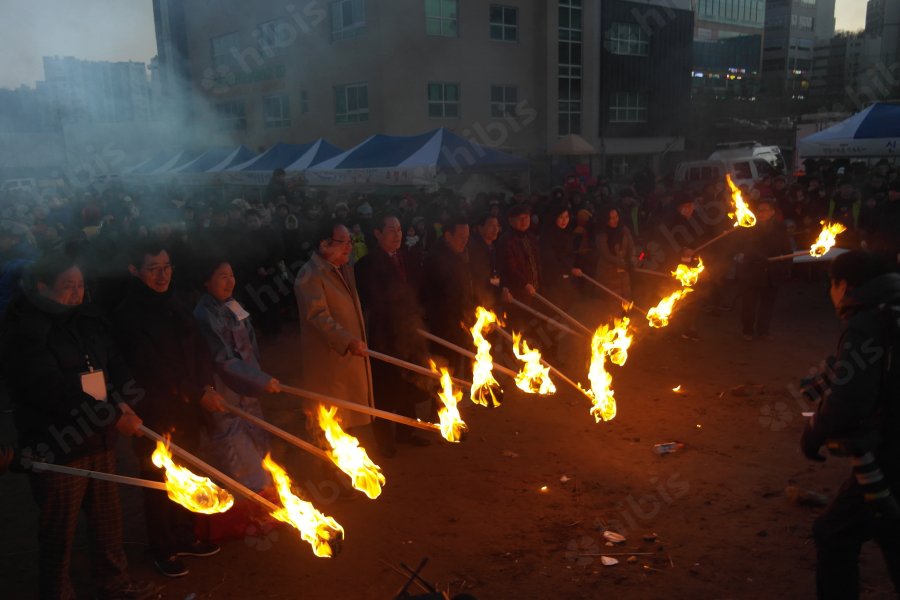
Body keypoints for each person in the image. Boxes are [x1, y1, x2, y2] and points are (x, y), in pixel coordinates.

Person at [1, 255, 159, 600]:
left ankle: (114, 582)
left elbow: (113, 361)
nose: (76, 293)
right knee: (60, 528)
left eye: (80, 285)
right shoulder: (27, 333)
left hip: (98, 438)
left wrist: (123, 398)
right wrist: (111, 415)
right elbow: (51, 390)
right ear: (42, 288)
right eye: (67, 287)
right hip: (58, 444)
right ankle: (57, 592)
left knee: (107, 519)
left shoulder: (88, 319)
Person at [113, 242, 224, 578]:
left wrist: (206, 386)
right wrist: (195, 392)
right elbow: (152, 365)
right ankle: (162, 547)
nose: (162, 275)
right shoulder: (129, 314)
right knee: (159, 478)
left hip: (187, 407)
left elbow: (199, 349)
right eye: (153, 268)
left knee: (190, 468)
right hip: (154, 409)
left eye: (166, 267)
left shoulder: (176, 301)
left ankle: (185, 534)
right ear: (136, 270)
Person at [801, 250, 900, 599]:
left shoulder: (867, 322)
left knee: (834, 533)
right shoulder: (890, 311)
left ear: (843, 285)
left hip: (891, 452)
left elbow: (850, 399)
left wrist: (813, 433)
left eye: (831, 285)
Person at [193, 257, 280, 491]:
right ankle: (251, 505)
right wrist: (259, 380)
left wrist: (258, 376)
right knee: (239, 459)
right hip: (225, 395)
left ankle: (268, 501)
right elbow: (222, 359)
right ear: (207, 281)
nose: (230, 281)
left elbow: (250, 345)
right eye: (223, 276)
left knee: (262, 451)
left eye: (231, 275)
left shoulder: (234, 305)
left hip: (248, 391)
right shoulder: (203, 315)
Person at [355, 215, 430, 456]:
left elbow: (417, 290)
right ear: (377, 233)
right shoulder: (366, 264)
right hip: (384, 333)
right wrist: (397, 316)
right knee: (385, 387)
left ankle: (407, 431)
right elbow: (373, 300)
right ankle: (384, 440)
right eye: (390, 230)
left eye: (399, 229)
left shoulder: (408, 258)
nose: (397, 234)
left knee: (408, 380)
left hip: (410, 329)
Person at [294, 221, 374, 432]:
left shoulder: (344, 268)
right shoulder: (310, 275)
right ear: (324, 244)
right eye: (343, 242)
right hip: (331, 360)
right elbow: (317, 316)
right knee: (335, 418)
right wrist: (347, 340)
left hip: (351, 355)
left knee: (354, 415)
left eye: (350, 241)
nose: (349, 246)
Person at [419, 215, 476, 367]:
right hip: (444, 327)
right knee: (446, 369)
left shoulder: (461, 253)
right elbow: (445, 294)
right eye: (461, 237)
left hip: (461, 322)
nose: (465, 241)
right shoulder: (436, 259)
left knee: (465, 364)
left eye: (467, 237)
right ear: (448, 236)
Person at [736, 198, 792, 341]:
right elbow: (745, 246)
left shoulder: (780, 228)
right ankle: (747, 330)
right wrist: (758, 256)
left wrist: (785, 268)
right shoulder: (750, 226)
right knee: (749, 303)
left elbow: (787, 249)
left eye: (764, 210)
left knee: (767, 304)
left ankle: (763, 331)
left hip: (772, 271)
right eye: (759, 210)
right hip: (753, 270)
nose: (760, 213)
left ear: (772, 212)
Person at [539, 202, 581, 309]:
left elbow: (570, 254)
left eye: (567, 217)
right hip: (553, 278)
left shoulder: (567, 233)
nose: (564, 220)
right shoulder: (547, 236)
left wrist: (571, 268)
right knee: (557, 306)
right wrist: (568, 269)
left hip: (567, 277)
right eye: (561, 217)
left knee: (569, 305)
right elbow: (549, 259)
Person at [496, 204, 540, 303]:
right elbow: (509, 268)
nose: (524, 221)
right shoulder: (506, 241)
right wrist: (524, 284)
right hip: (518, 292)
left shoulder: (530, 236)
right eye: (520, 218)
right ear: (511, 220)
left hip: (534, 289)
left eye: (526, 218)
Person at [596, 207, 636, 302]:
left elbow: (631, 247)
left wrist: (631, 260)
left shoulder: (624, 230)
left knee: (626, 297)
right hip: (608, 272)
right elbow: (606, 255)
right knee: (613, 299)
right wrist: (621, 263)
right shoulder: (602, 234)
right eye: (611, 218)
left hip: (623, 272)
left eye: (616, 217)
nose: (615, 220)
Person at [467, 213, 501, 309]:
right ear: (480, 228)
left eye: (497, 225)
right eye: (491, 226)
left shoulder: (492, 246)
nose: (495, 229)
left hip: (491, 295)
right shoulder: (472, 248)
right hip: (479, 299)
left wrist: (497, 290)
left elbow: (494, 272)